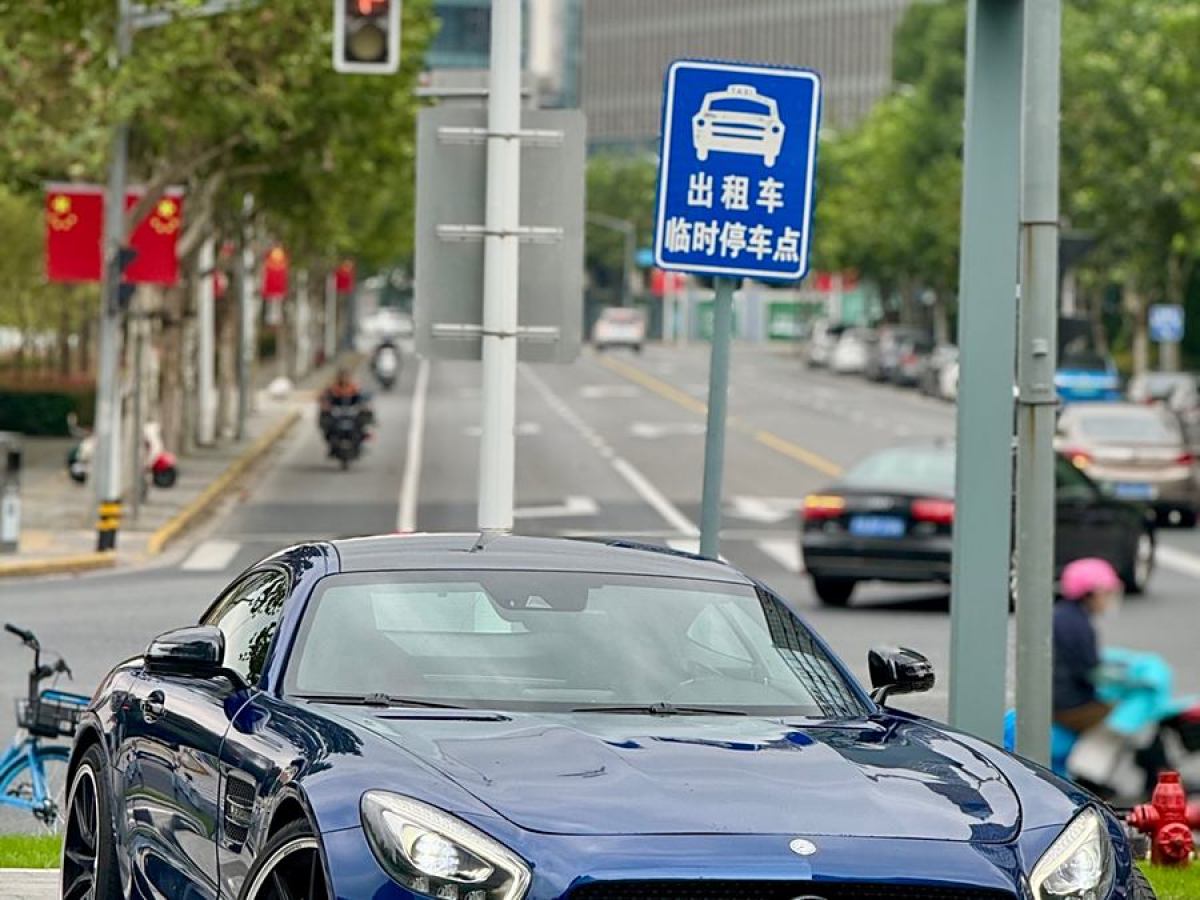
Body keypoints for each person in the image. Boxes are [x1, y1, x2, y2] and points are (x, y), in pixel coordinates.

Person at [319, 369, 371, 444]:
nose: (344, 379)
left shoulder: (354, 387)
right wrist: (325, 405)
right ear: (338, 378)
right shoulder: (333, 388)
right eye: (342, 377)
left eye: (346, 377)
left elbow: (362, 397)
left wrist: (364, 405)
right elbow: (324, 397)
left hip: (352, 411)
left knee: (363, 419)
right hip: (337, 412)